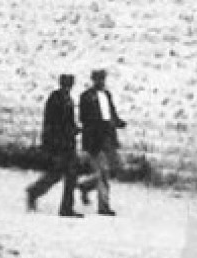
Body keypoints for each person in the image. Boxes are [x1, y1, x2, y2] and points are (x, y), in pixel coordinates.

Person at [25, 74, 83, 217]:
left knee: (69, 174)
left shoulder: (67, 99)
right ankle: (35, 192)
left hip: (67, 143)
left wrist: (74, 129)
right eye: (67, 84)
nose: (68, 87)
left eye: (69, 84)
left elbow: (67, 122)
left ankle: (65, 207)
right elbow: (54, 124)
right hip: (58, 144)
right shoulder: (56, 99)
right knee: (58, 174)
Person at [78, 69, 126, 216]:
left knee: (114, 168)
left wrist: (117, 122)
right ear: (93, 80)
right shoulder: (86, 96)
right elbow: (84, 118)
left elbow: (111, 113)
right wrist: (98, 126)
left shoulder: (107, 95)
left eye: (103, 79)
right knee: (103, 171)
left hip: (108, 137)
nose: (101, 82)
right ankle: (103, 206)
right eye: (98, 79)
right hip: (95, 139)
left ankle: (85, 186)